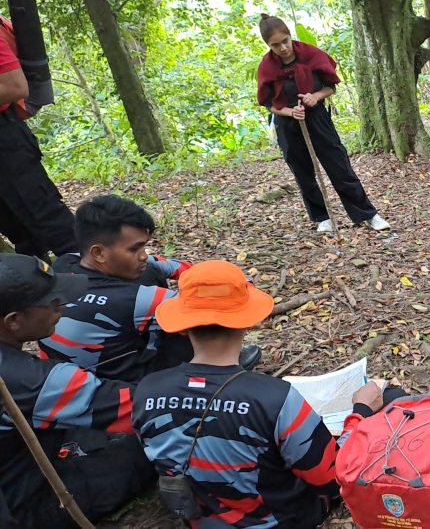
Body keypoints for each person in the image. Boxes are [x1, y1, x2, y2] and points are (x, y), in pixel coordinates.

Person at [132, 260, 395, 528]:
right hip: (279, 519)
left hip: (199, 519)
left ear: (183, 325)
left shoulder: (146, 390)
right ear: (246, 321)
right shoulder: (275, 398)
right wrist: (360, 412)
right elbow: (333, 478)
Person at [0, 253, 152, 527]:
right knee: (137, 452)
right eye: (52, 302)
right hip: (17, 505)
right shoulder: (35, 381)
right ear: (13, 320)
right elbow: (148, 407)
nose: (63, 306)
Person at [40, 195, 262, 383]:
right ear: (99, 253)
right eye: (135, 248)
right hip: (117, 387)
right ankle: (214, 371)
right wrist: (241, 284)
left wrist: (188, 271)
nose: (143, 254)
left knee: (148, 271)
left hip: (67, 371)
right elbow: (212, 305)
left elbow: (159, 262)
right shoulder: (136, 300)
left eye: (144, 245)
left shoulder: (65, 263)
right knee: (195, 324)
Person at [256, 14, 390, 233]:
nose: (282, 48)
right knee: (303, 172)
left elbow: (330, 86)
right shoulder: (267, 67)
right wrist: (290, 111)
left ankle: (367, 214)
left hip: (317, 117)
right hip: (288, 125)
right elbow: (268, 103)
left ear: (290, 36)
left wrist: (315, 96)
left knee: (339, 165)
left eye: (285, 41)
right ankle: (322, 217)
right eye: (275, 45)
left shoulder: (310, 54)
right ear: (268, 45)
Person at [0, 16, 77, 260]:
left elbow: (15, 87)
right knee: (20, 233)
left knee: (51, 223)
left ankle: (107, 288)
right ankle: (40, 290)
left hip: (5, 142)